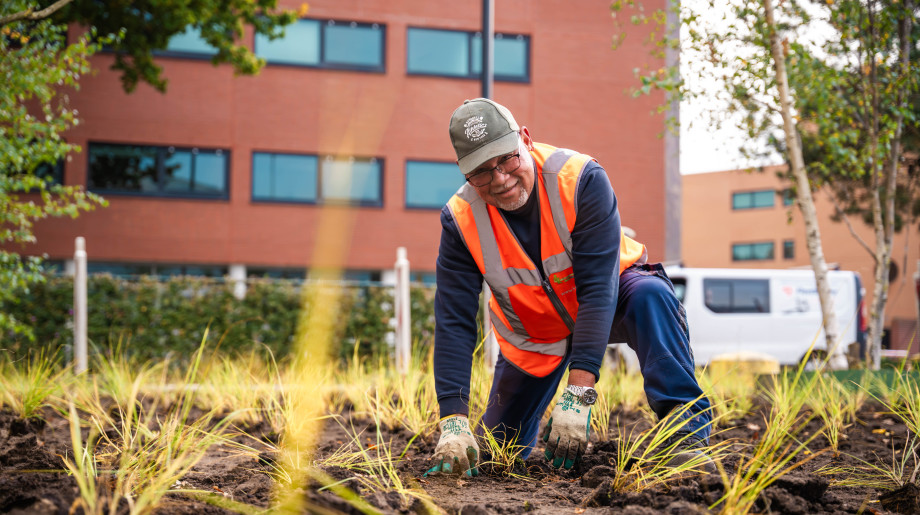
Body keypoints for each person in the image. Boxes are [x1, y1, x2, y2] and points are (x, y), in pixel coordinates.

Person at [425, 98, 712, 477]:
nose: (500, 179)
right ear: (465, 175)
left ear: (525, 139)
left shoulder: (580, 180)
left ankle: (684, 437)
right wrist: (454, 422)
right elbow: (454, 324)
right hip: (533, 336)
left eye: (507, 159)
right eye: (481, 172)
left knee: (652, 295)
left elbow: (597, 290)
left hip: (612, 303)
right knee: (495, 458)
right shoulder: (459, 222)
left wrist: (579, 395)